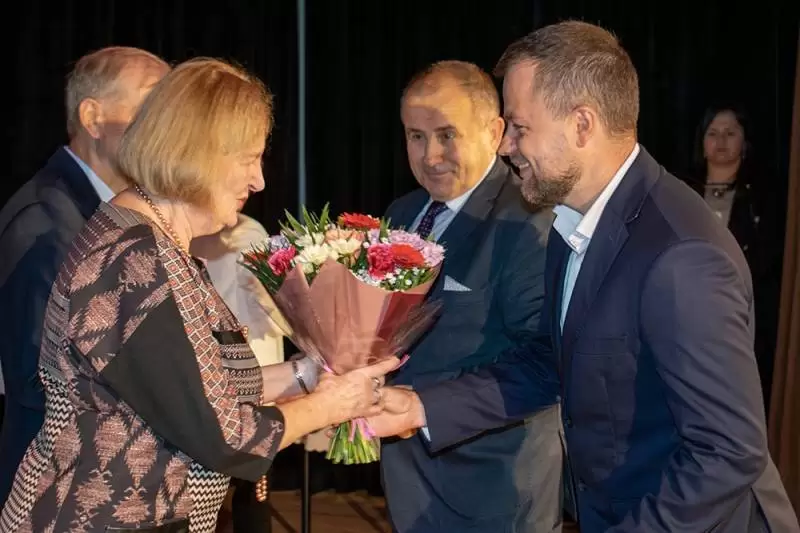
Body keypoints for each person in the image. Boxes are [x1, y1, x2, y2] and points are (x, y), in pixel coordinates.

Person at [371, 21, 800, 533]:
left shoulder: (681, 255)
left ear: (581, 125)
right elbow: (548, 365)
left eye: (520, 127)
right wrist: (421, 408)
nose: (506, 146)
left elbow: (726, 453)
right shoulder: (569, 223)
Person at [0, 57, 399, 533]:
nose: (259, 180)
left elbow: (198, 388)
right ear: (197, 152)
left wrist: (306, 374)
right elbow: (225, 436)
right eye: (248, 158)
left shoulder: (153, 239)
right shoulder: (134, 261)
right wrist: (332, 405)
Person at [378, 60, 562, 533]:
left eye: (447, 134)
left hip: (494, 492)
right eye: (415, 136)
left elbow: (547, 364)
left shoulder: (530, 221)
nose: (430, 155)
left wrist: (424, 409)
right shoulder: (401, 213)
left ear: (495, 133)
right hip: (407, 486)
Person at [0, 45, 170, 508]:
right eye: (151, 107)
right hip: (57, 493)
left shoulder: (106, 213)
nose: (167, 128)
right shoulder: (47, 224)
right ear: (93, 118)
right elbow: (39, 380)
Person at [191, 213, 286, 533]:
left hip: (257, 359)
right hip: (213, 365)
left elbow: (274, 309)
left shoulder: (251, 231)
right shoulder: (190, 230)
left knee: (255, 479)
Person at [686, 103, 782, 409]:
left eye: (730, 133)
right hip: (688, 315)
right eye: (713, 133)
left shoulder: (761, 198)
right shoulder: (681, 192)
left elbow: (767, 259)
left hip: (740, 317)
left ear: (745, 142)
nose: (721, 141)